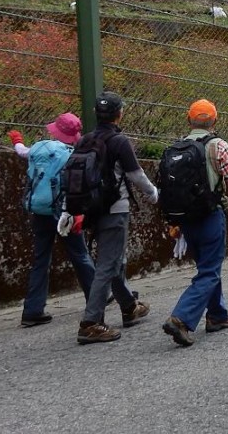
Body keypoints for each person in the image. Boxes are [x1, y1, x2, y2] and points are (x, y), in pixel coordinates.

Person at [67, 91, 159, 344]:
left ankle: (129, 306)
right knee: (108, 264)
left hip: (90, 209)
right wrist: (154, 194)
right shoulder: (119, 141)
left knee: (111, 258)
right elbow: (136, 175)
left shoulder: (84, 140)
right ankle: (91, 322)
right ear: (120, 114)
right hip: (115, 208)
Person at [161, 99, 228, 348]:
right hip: (210, 215)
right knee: (209, 271)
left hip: (185, 219)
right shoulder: (218, 146)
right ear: (215, 121)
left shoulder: (177, 147)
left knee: (207, 268)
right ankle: (181, 318)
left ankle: (217, 316)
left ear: (189, 121)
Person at [7, 113, 95, 328]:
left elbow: (22, 152)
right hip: (65, 213)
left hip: (39, 210)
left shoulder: (38, 148)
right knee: (79, 255)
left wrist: (17, 140)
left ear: (55, 130)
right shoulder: (72, 155)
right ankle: (96, 296)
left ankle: (32, 310)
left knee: (40, 260)